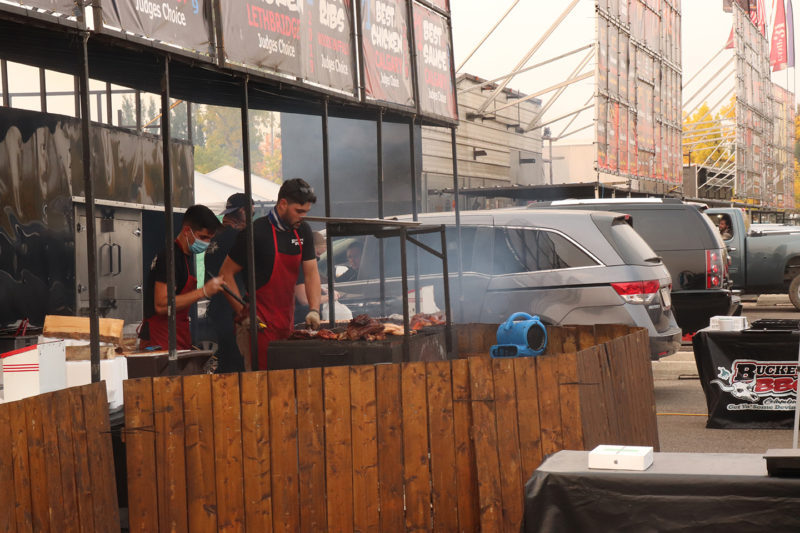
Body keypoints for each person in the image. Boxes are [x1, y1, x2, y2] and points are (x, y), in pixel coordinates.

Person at [219, 178, 321, 370]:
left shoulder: (303, 231)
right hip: (256, 326)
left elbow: (311, 274)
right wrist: (243, 312)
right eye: (298, 211)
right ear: (282, 204)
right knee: (260, 387)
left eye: (306, 212)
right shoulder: (255, 233)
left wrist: (314, 309)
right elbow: (225, 275)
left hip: (286, 323)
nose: (302, 217)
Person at [139, 205, 224, 350]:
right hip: (159, 339)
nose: (206, 243)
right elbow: (161, 305)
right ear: (186, 231)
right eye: (203, 237)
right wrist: (203, 292)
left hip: (178, 336)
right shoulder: (170, 257)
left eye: (210, 239)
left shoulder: (186, 257)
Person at [204, 193, 252, 373]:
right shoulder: (237, 238)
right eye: (251, 213)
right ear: (242, 211)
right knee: (237, 361)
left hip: (216, 308)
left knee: (225, 358)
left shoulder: (215, 238)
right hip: (232, 307)